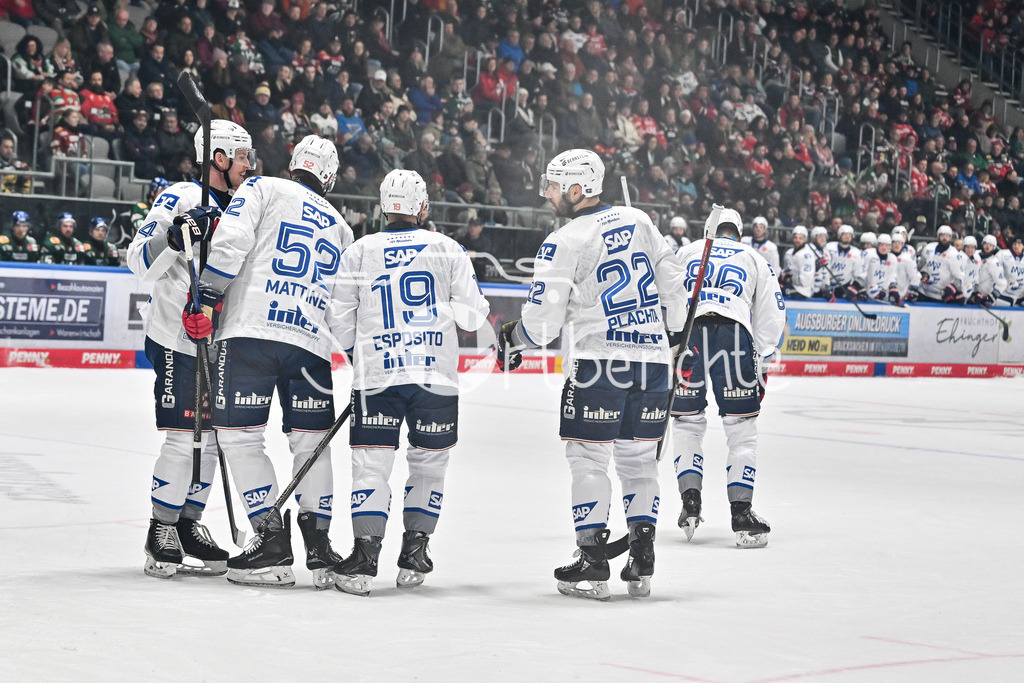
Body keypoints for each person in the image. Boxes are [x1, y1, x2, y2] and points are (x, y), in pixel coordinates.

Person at [498, 149, 688, 600]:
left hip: (599, 361)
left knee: (588, 459)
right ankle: (642, 558)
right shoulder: (640, 220)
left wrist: (514, 337)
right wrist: (674, 336)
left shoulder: (565, 239)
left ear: (578, 189)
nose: (546, 193)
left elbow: (542, 324)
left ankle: (592, 559)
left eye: (553, 185)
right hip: (654, 361)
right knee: (639, 461)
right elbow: (675, 287)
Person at [185, 135, 353, 589]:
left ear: (293, 164)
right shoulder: (341, 225)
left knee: (239, 438)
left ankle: (270, 539)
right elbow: (343, 302)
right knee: (311, 441)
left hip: (252, 331)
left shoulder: (262, 188)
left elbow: (232, 240)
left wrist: (205, 296)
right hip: (312, 346)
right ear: (330, 178)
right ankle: (319, 547)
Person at [328, 169, 490, 596]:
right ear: (423, 208)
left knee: (370, 467)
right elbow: (473, 317)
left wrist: (358, 354)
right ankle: (415, 551)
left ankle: (364, 558)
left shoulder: (360, 250)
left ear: (383, 206)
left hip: (378, 376)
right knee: (429, 465)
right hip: (435, 377)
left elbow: (339, 321)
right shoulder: (447, 247)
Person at [125, 119, 256, 579]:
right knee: (184, 437)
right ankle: (159, 527)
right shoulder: (182, 194)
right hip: (176, 337)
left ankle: (187, 523)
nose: (248, 165)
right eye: (241, 156)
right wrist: (177, 233)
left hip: (221, 340)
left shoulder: (246, 205)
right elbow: (138, 260)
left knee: (213, 437)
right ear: (217, 157)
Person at [671, 207, 786, 549]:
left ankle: (690, 503)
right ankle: (741, 513)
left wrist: (670, 345)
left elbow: (667, 297)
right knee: (741, 431)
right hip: (733, 336)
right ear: (739, 231)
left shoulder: (689, 250)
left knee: (686, 424)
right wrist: (762, 360)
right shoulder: (753, 256)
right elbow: (772, 311)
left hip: (690, 333)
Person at [918, 225, 965, 303]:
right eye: (942, 235)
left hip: (940, 296)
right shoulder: (928, 248)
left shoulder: (954, 254)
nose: (945, 238)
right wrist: (922, 274)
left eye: (947, 236)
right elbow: (920, 266)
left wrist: (952, 288)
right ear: (938, 236)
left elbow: (959, 277)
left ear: (950, 238)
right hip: (923, 292)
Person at [851, 233, 899, 303]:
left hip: (882, 294)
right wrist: (855, 288)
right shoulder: (869, 254)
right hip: (865, 291)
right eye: (881, 245)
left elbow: (892, 276)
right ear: (877, 245)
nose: (884, 248)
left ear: (890, 247)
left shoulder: (892, 258)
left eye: (886, 245)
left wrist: (893, 291)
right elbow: (862, 273)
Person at [824, 225, 862, 299]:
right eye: (844, 234)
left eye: (849, 234)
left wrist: (854, 287)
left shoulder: (857, 253)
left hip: (844, 287)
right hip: (826, 285)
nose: (847, 236)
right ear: (839, 236)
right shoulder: (829, 247)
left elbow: (858, 273)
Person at [891, 227, 921, 303]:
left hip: (902, 295)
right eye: (895, 242)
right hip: (886, 295)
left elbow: (915, 275)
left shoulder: (907, 258)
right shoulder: (886, 256)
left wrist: (913, 290)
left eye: (899, 243)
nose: (897, 245)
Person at [994, 235, 1024, 307]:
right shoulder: (1002, 254)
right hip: (1004, 295)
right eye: (1014, 244)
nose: (1016, 246)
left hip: (1021, 297)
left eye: (1019, 244)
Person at [780, 226, 807, 291]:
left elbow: (806, 280)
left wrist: (790, 279)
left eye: (800, 238)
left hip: (802, 290)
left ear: (805, 240)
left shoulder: (807, 255)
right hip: (789, 286)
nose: (797, 240)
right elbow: (786, 269)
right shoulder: (788, 253)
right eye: (795, 237)